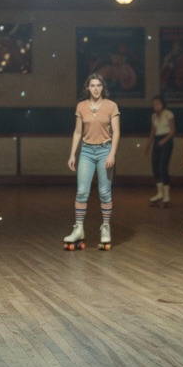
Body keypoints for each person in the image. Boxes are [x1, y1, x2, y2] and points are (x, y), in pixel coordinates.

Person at [64, 73, 120, 249]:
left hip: (105, 150)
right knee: (82, 191)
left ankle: (105, 227)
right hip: (87, 151)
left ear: (103, 87)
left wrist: (112, 154)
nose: (96, 88)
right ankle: (79, 228)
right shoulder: (81, 106)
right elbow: (78, 132)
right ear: (87, 88)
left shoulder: (111, 106)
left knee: (104, 192)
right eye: (92, 85)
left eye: (99, 85)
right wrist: (73, 154)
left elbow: (117, 132)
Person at [145, 95, 175, 206]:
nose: (155, 105)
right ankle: (160, 193)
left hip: (167, 140)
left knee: (163, 167)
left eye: (157, 103)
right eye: (154, 104)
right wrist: (148, 145)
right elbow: (152, 132)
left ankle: (167, 196)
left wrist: (164, 140)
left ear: (162, 103)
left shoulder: (168, 113)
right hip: (157, 141)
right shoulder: (153, 116)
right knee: (155, 166)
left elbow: (172, 131)